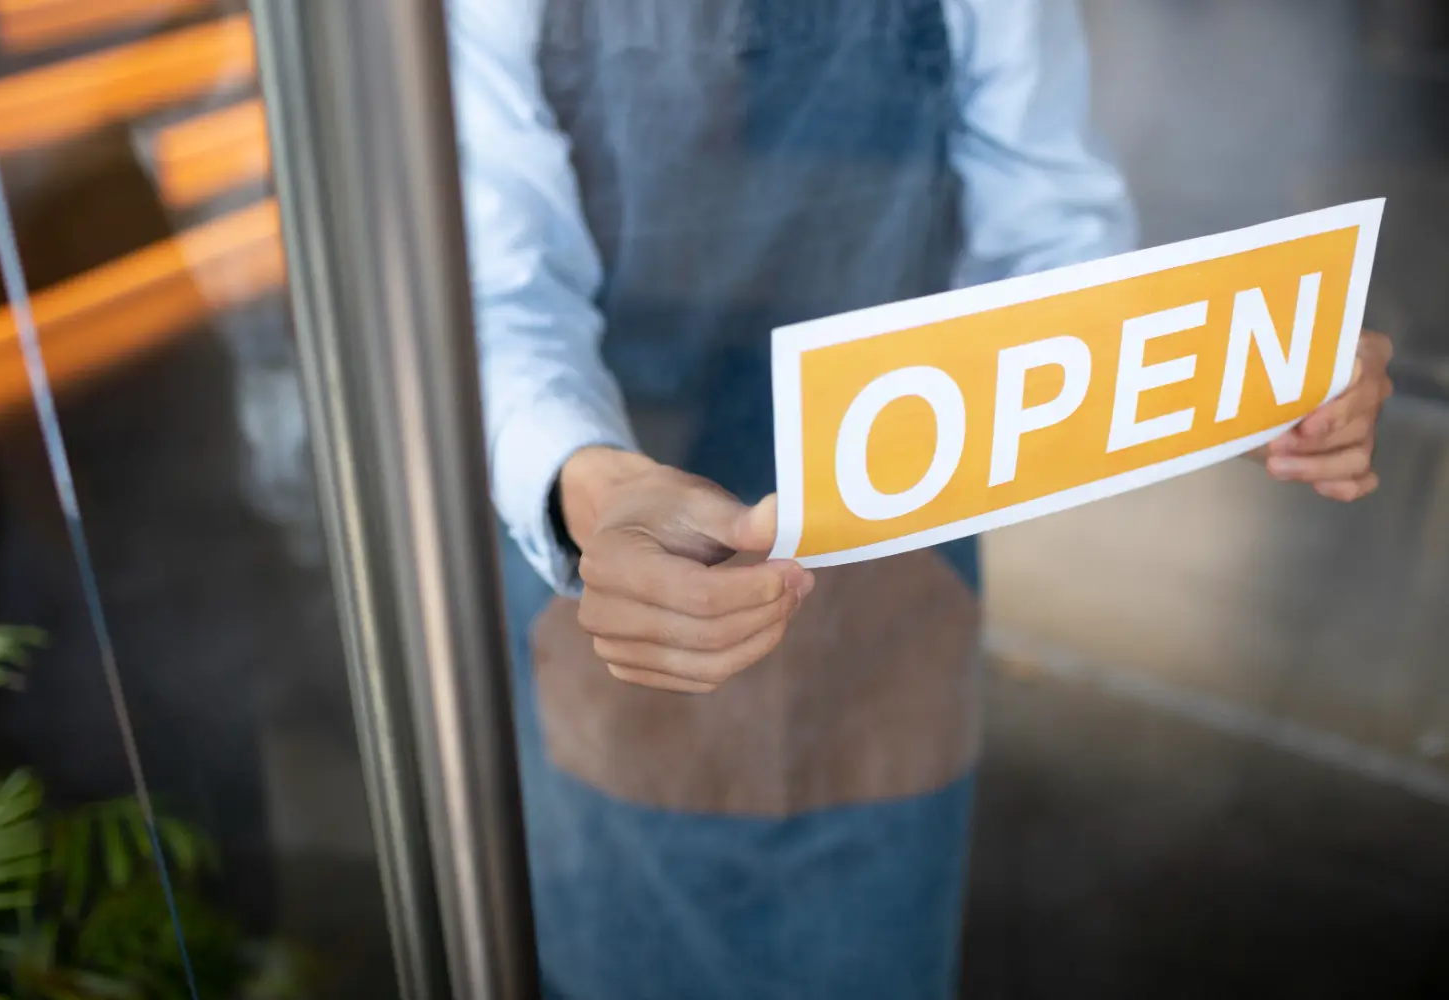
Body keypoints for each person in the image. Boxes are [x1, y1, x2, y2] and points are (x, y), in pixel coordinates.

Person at [450, 0, 1395, 996]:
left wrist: (1253, 381)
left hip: (895, 573)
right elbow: (497, 293)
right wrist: (597, 489)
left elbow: (1049, 244)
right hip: (614, 553)